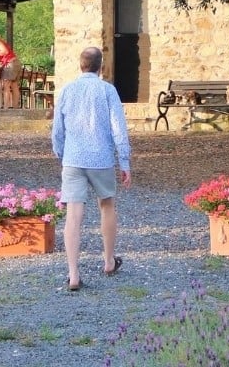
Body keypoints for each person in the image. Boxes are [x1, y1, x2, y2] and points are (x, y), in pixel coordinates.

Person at [51, 47, 131, 291]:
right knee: (107, 205)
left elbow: (57, 129)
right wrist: (125, 161)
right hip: (102, 158)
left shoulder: (66, 90)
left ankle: (73, 274)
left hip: (73, 160)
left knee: (73, 215)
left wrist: (61, 153)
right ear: (101, 66)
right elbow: (119, 127)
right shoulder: (107, 90)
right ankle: (108, 261)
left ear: (80, 64)